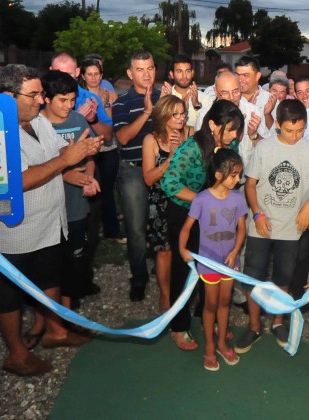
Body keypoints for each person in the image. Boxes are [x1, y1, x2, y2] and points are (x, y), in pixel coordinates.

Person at [0, 64, 100, 376]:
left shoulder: (38, 120)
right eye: (34, 94)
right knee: (9, 293)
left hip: (49, 223)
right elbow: (18, 181)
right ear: (8, 96)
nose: (41, 99)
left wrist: (77, 159)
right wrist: (66, 159)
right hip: (12, 232)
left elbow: (55, 156)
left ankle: (56, 331)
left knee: (50, 278)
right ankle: (17, 354)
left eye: (40, 92)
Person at [234, 99, 309, 354]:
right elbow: (250, 184)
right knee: (253, 275)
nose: (294, 136)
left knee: (283, 277)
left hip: (292, 227)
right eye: (289, 130)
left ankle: (277, 322)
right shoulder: (264, 148)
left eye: (300, 130)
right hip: (262, 224)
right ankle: (254, 326)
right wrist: (256, 214)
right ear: (277, 124)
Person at [161, 99, 244, 351]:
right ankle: (179, 325)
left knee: (213, 266)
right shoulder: (192, 148)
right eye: (228, 130)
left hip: (215, 219)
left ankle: (208, 317)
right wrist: (203, 200)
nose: (233, 136)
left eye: (236, 131)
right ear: (211, 124)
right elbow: (169, 183)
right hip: (185, 212)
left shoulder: (232, 144)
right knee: (184, 270)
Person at [179, 148, 247, 371]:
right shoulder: (202, 199)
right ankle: (209, 346)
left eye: (239, 174)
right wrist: (182, 248)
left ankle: (221, 342)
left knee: (225, 302)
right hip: (208, 262)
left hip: (229, 263)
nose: (238, 179)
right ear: (218, 175)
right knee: (210, 304)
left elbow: (241, 228)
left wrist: (235, 251)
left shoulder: (237, 198)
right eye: (234, 175)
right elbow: (187, 228)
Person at [40, 70, 101, 311]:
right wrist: (66, 174)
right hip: (48, 209)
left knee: (74, 258)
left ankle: (66, 312)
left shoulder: (78, 120)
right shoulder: (37, 125)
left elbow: (90, 156)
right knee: (49, 264)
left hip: (76, 205)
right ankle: (48, 317)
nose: (69, 105)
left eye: (72, 99)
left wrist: (88, 176)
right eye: (62, 100)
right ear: (46, 98)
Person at [113, 50, 167, 302]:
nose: (146, 74)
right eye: (140, 69)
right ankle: (139, 278)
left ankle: (164, 272)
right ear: (130, 73)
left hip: (163, 170)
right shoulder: (122, 103)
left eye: (150, 68)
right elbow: (122, 138)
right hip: (133, 170)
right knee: (136, 230)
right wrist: (147, 112)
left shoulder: (165, 97)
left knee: (164, 226)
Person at [142, 95, 187, 311]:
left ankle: (183, 294)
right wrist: (170, 159)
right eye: (175, 114)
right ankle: (165, 295)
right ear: (164, 115)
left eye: (182, 113)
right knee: (164, 251)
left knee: (183, 250)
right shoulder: (151, 140)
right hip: (160, 202)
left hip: (183, 201)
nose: (180, 118)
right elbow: (148, 178)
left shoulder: (188, 136)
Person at [78, 58, 125, 243]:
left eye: (96, 74)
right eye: (89, 74)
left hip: (108, 146)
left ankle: (111, 229)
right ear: (83, 76)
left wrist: (106, 105)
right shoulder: (79, 96)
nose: (93, 77)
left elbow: (112, 124)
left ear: (101, 75)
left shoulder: (109, 93)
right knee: (89, 186)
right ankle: (90, 229)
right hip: (89, 148)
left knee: (107, 189)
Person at [196, 71, 268, 166]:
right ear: (215, 92)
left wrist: (254, 135)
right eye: (225, 93)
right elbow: (201, 151)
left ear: (241, 89)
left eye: (235, 91)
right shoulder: (205, 114)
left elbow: (266, 150)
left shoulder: (253, 112)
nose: (231, 98)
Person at [50, 52, 113, 141]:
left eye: (69, 75)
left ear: (77, 72)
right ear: (50, 71)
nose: (63, 80)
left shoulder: (91, 99)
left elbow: (108, 136)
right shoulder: (41, 99)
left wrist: (93, 120)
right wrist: (77, 118)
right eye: (58, 74)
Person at [164, 54, 213, 137]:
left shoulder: (204, 98)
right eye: (179, 71)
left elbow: (209, 128)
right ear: (171, 74)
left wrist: (196, 105)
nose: (184, 76)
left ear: (192, 73)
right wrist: (166, 103)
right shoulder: (165, 96)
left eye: (188, 71)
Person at [235, 56, 277, 133]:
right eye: (238, 75)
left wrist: (268, 115)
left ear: (257, 76)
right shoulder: (232, 99)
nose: (240, 80)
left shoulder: (270, 100)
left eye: (246, 75)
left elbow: (277, 133)